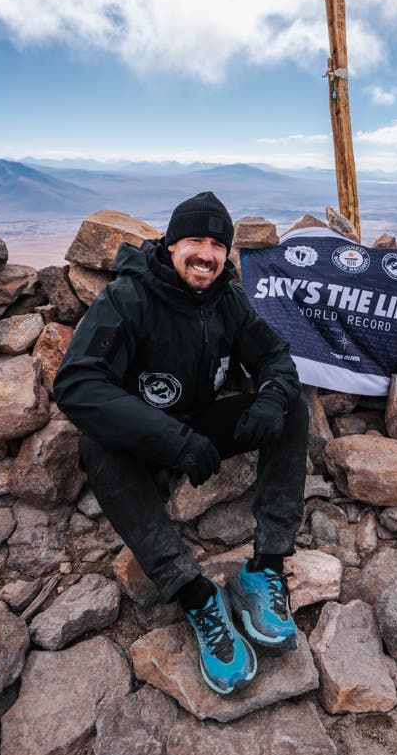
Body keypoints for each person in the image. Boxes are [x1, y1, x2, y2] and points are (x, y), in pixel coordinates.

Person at [53, 192, 308, 696]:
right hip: (145, 435)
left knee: (291, 408)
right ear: (171, 245)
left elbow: (275, 356)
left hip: (200, 426)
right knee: (96, 449)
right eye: (195, 240)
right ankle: (194, 594)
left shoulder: (228, 300)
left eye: (217, 245)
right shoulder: (127, 299)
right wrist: (172, 439)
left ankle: (266, 569)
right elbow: (77, 384)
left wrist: (270, 398)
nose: (206, 254)